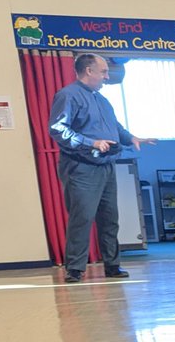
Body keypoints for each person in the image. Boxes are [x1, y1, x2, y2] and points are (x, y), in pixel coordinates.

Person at [47, 52, 156, 282]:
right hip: (81, 168)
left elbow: (115, 127)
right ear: (89, 71)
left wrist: (132, 138)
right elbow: (58, 129)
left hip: (106, 166)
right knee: (82, 217)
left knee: (110, 218)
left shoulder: (102, 100)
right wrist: (91, 142)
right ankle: (75, 269)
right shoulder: (68, 95)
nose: (107, 77)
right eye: (104, 71)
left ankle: (112, 265)